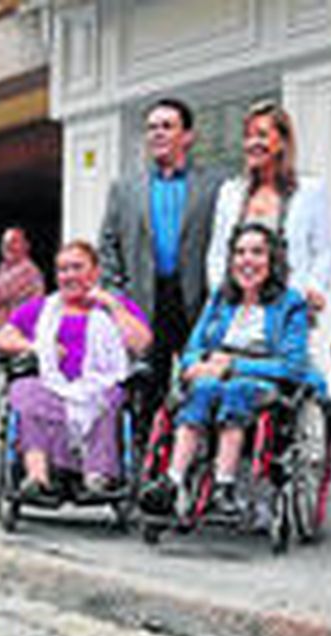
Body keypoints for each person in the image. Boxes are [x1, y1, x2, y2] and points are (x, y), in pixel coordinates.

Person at [144, 223, 310, 520]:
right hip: (213, 372)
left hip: (260, 377)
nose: (247, 260)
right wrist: (194, 365)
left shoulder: (291, 303)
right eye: (240, 252)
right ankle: (172, 481)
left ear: (273, 260)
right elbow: (193, 346)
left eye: (257, 252)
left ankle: (224, 486)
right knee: (202, 389)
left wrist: (233, 366)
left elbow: (293, 366)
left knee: (236, 390)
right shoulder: (221, 298)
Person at [0, 240, 151, 499]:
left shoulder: (114, 307)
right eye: (63, 269)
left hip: (97, 386)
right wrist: (38, 347)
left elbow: (141, 342)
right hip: (51, 388)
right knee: (25, 391)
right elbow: (2, 339)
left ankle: (97, 476)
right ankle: (38, 477)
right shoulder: (42, 308)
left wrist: (112, 305)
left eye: (77, 267)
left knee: (110, 397)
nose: (69, 275)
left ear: (95, 272)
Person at [98, 98, 223, 423]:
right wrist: (118, 299)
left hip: (197, 301)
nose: (157, 133)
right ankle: (146, 450)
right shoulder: (125, 188)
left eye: (167, 126)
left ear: (187, 136)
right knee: (145, 390)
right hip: (144, 302)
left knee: (203, 387)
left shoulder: (215, 185)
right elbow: (108, 247)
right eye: (152, 127)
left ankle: (198, 451)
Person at [206, 102, 331, 340]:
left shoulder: (310, 191)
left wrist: (314, 290)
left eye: (262, 135)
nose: (253, 143)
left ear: (283, 142)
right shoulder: (231, 192)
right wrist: (221, 297)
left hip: (287, 310)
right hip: (239, 311)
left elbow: (322, 251)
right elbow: (217, 252)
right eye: (248, 136)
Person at [0, 227, 45, 439]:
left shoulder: (26, 270)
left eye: (14, 242)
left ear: (26, 246)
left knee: (1, 390)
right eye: (5, 243)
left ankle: (6, 437)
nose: (8, 247)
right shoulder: (3, 269)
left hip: (13, 340)